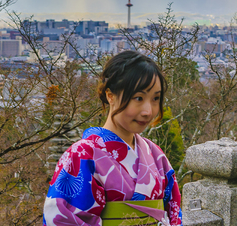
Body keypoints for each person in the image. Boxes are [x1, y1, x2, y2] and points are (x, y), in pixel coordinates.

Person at [43, 51, 182, 226]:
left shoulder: (156, 155)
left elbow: (174, 213)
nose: (148, 110)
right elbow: (63, 220)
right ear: (111, 96)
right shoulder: (82, 154)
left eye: (155, 98)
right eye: (138, 98)